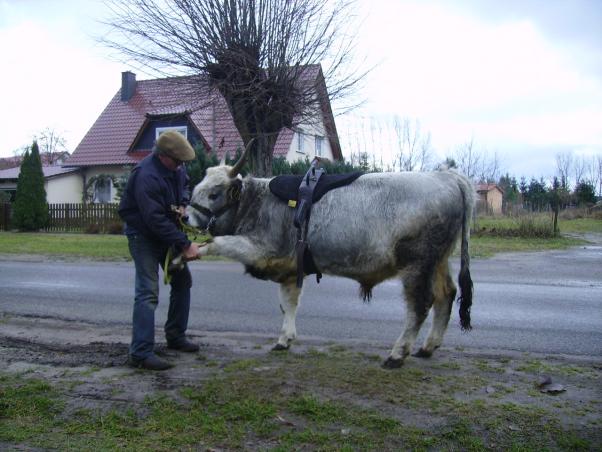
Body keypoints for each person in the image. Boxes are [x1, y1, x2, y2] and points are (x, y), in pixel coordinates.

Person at [119, 131, 201, 370]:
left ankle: (175, 337)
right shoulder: (146, 175)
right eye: (177, 162)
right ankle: (141, 353)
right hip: (142, 235)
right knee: (148, 291)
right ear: (163, 156)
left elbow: (184, 184)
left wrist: (184, 204)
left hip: (165, 231)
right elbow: (154, 220)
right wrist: (185, 245)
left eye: (182, 163)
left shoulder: (176, 169)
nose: (180, 166)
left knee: (182, 280)